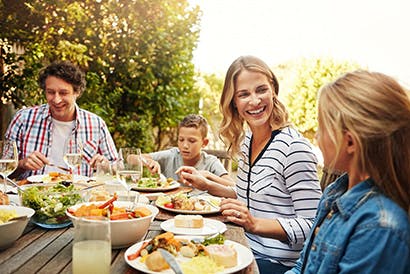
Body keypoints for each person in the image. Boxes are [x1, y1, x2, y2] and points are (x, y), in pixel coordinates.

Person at [178, 56, 322, 273]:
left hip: (275, 264)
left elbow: (314, 225)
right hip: (242, 247)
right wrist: (206, 184)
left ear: (273, 89)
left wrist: (254, 224)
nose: (254, 101)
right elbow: (250, 197)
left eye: (261, 90)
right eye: (244, 94)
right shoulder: (247, 141)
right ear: (233, 101)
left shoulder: (294, 148)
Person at [286, 70, 410, 274]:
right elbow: (303, 267)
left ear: (350, 142)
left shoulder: (379, 228)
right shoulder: (335, 192)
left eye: (321, 127)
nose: (316, 136)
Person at [5, 61, 118, 179]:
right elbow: (3, 170)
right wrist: (22, 164)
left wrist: (105, 166)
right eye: (50, 92)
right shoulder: (23, 119)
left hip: (78, 195)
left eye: (63, 93)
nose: (56, 100)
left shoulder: (96, 124)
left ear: (77, 92)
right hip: (31, 194)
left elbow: (115, 167)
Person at [143, 114, 234, 186]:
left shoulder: (211, 162)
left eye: (192, 141)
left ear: (204, 143)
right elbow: (131, 158)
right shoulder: (171, 155)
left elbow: (232, 185)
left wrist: (208, 175)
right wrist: (149, 161)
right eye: (181, 140)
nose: (185, 146)